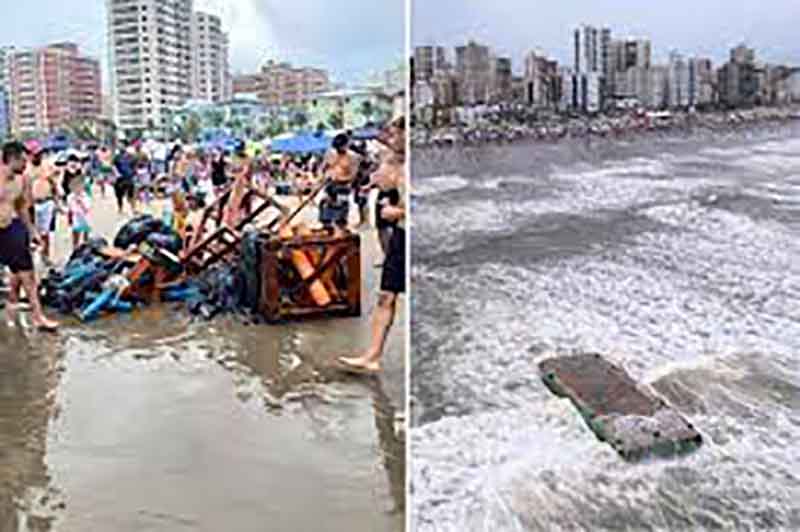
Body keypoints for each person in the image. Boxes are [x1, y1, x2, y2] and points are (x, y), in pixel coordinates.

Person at [338, 117, 406, 374]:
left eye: (396, 134)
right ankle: (372, 356)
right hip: (399, 236)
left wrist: (395, 212)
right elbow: (387, 179)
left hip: (404, 233)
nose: (392, 138)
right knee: (385, 296)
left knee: (389, 297)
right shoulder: (395, 161)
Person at [0, 141, 59, 330]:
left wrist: (32, 231)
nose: (27, 165)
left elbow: (22, 207)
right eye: (23, 161)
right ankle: (10, 302)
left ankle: (38, 316)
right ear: (12, 159)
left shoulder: (23, 179)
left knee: (28, 272)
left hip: (11, 226)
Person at [28, 142, 61, 266]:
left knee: (45, 233)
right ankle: (30, 258)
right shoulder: (25, 168)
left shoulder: (47, 166)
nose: (38, 156)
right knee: (31, 233)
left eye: (40, 154)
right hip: (31, 204)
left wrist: (57, 201)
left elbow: (54, 184)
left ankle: (45, 256)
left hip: (47, 202)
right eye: (36, 154)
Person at [319, 133, 359, 233]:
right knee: (325, 209)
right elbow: (322, 168)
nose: (339, 151)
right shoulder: (330, 154)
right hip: (329, 186)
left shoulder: (353, 157)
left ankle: (341, 229)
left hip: (343, 187)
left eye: (341, 147)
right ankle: (327, 227)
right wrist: (323, 177)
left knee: (340, 214)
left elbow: (353, 176)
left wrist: (340, 178)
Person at [67, 173, 91, 249]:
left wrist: (81, 202)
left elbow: (87, 209)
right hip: (76, 218)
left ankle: (86, 248)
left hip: (85, 218)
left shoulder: (86, 196)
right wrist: (69, 219)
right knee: (76, 236)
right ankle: (75, 248)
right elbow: (70, 209)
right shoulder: (70, 197)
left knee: (86, 236)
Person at [112, 146, 137, 215]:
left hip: (129, 178)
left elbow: (134, 167)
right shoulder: (117, 157)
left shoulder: (132, 158)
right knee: (119, 195)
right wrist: (116, 173)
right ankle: (120, 208)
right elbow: (113, 166)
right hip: (120, 179)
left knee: (131, 194)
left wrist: (134, 174)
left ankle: (133, 208)